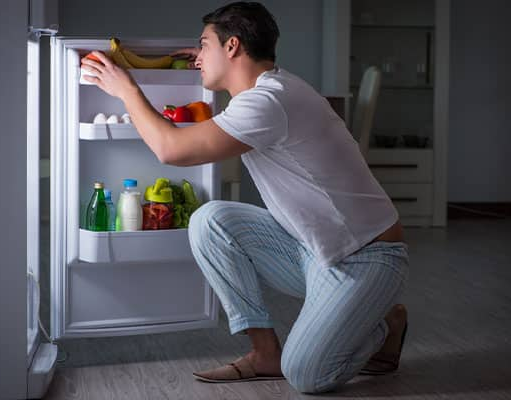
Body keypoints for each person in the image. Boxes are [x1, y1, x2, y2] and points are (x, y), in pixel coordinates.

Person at [80, 1, 409, 394]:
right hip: (314, 250)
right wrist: (206, 65)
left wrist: (127, 89)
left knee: (306, 374)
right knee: (210, 220)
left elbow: (172, 150)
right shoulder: (264, 91)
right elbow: (210, 115)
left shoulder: (268, 102)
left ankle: (383, 323)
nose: (198, 56)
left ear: (232, 46)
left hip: (366, 258)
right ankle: (264, 351)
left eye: (204, 45)